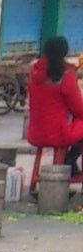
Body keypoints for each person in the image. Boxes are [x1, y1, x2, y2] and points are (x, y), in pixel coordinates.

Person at [26, 35, 83, 175]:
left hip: (35, 132)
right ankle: (70, 160)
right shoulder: (66, 76)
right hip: (59, 133)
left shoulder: (34, 73)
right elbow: (79, 110)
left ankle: (69, 163)